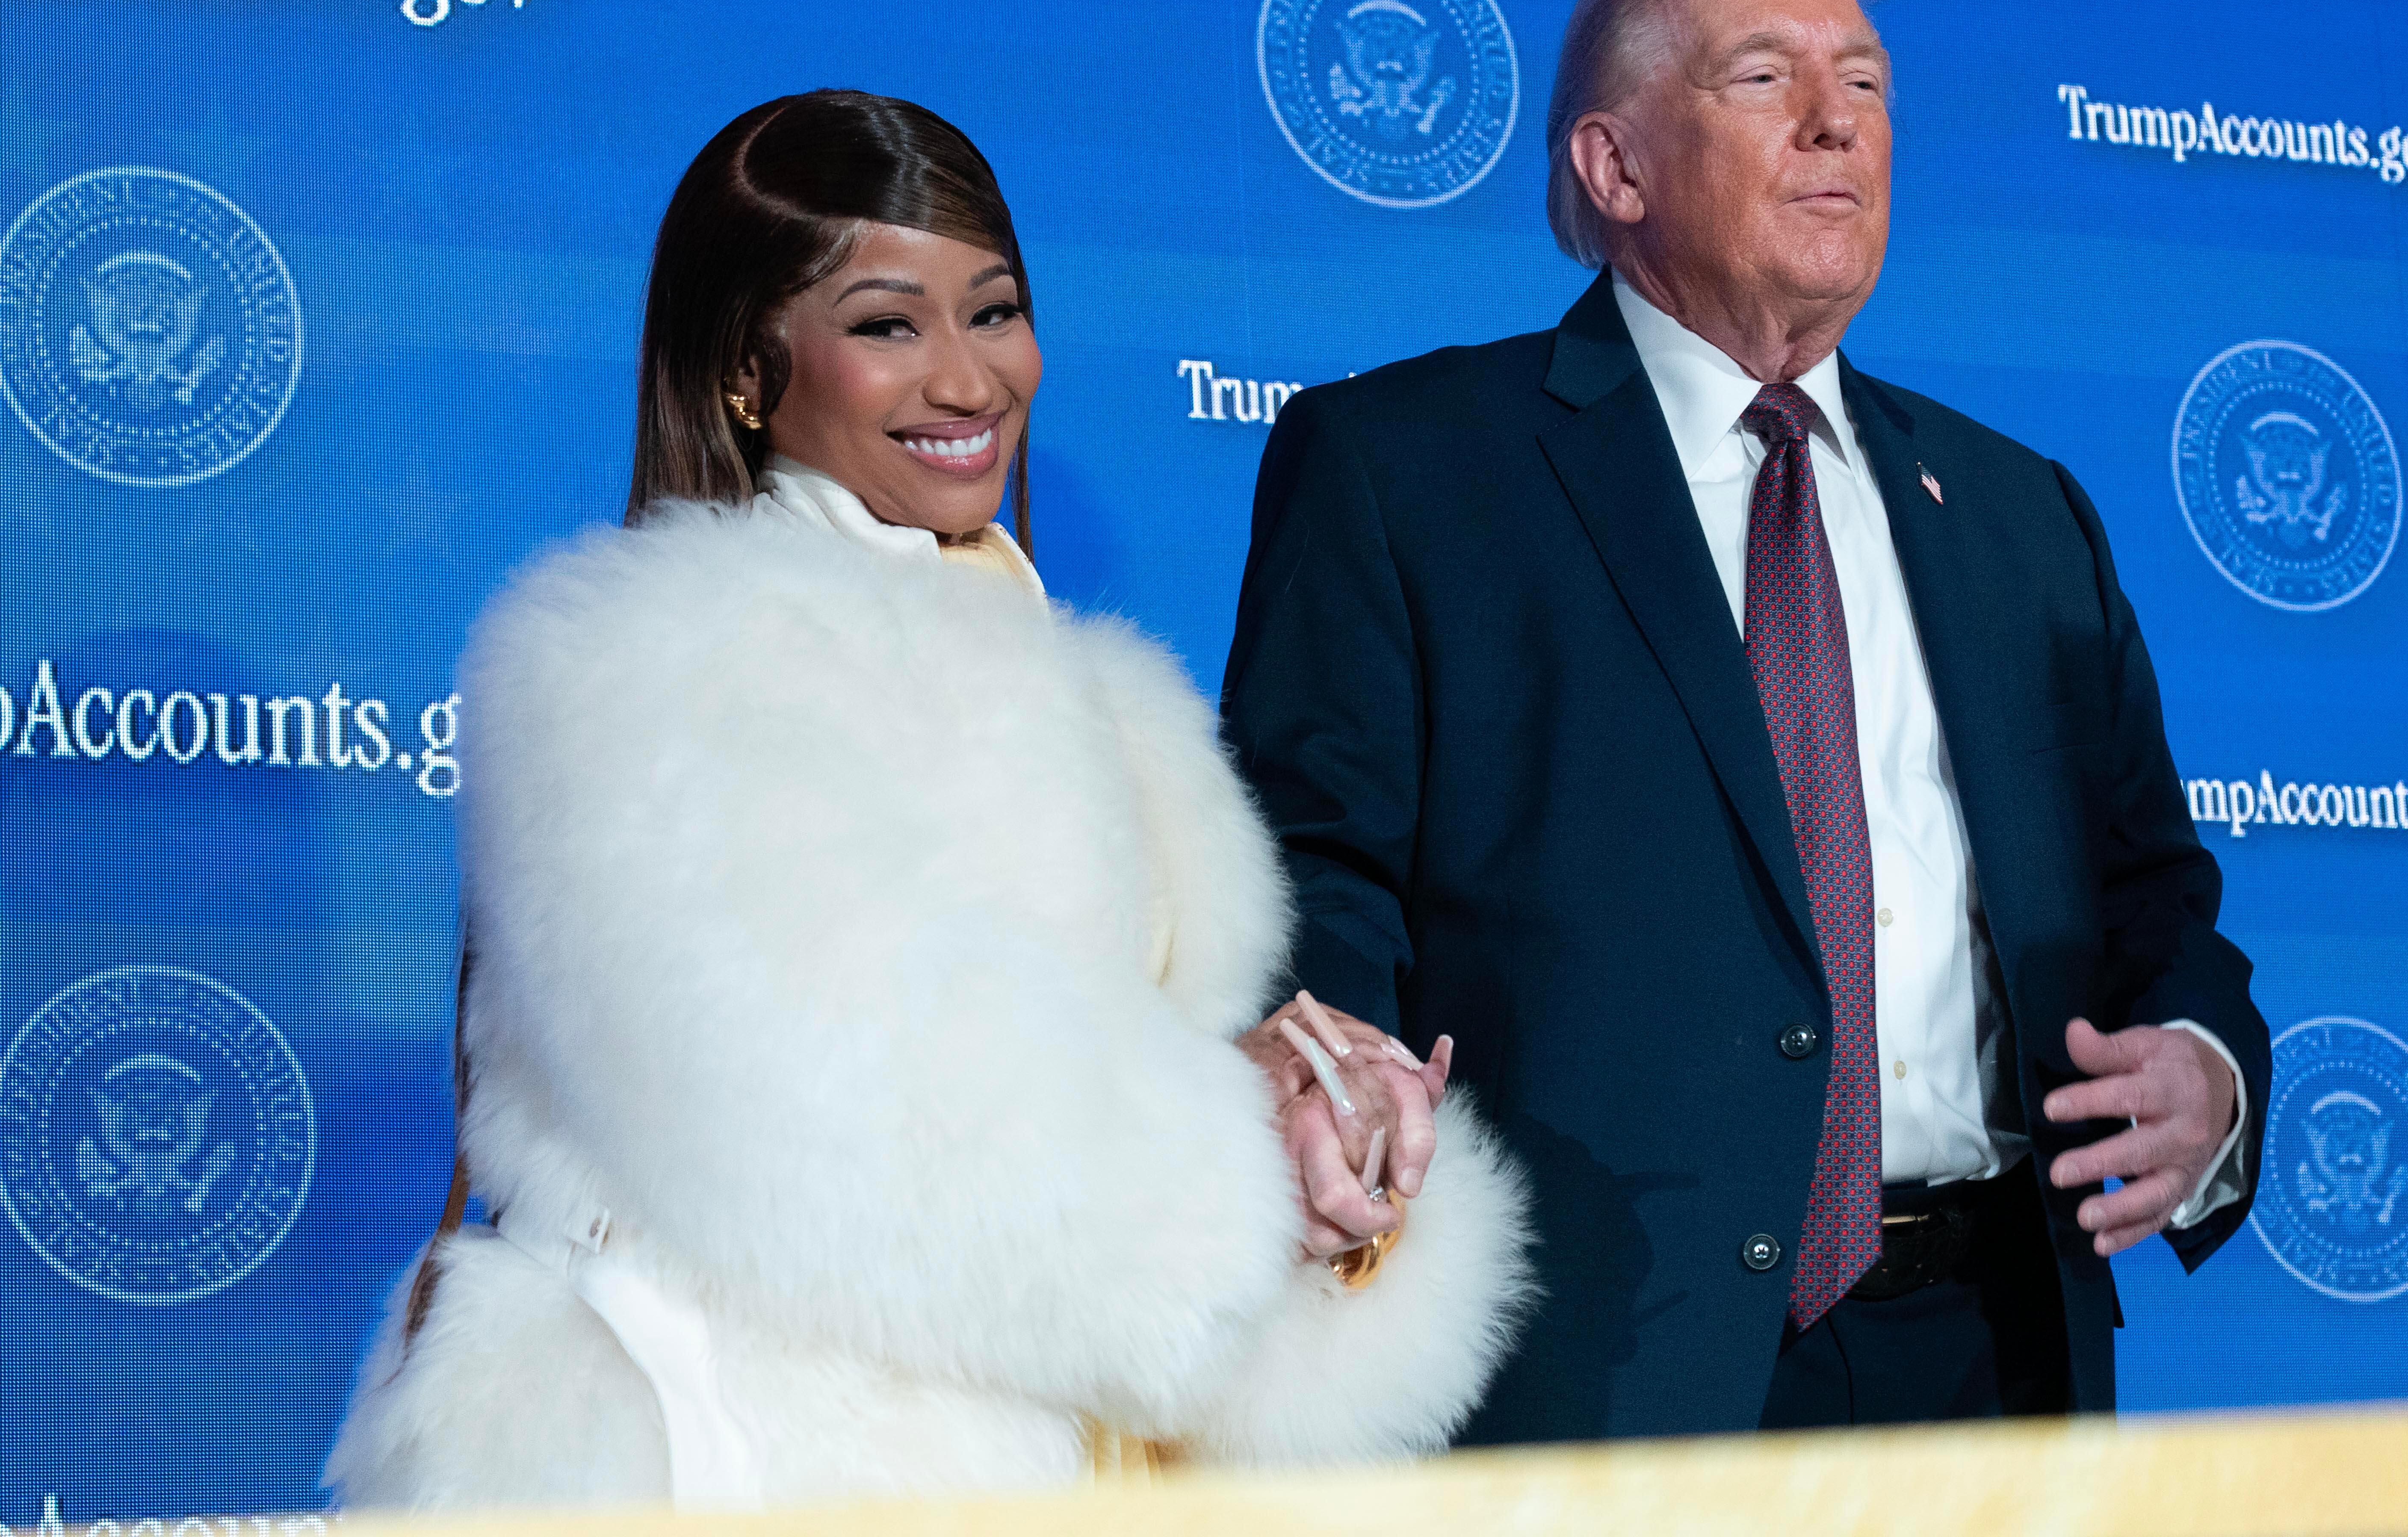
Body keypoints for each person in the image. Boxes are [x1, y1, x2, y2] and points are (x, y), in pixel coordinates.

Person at [327, 90, 1530, 1509]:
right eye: (889, 324)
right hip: (763, 1464)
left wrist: (1336, 1159)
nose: (969, 380)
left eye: (996, 311)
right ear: (746, 367)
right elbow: (870, 1134)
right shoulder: (644, 672)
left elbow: (1145, 1242)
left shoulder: (1102, 705)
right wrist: (1243, 1122)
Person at [1222, 0, 2269, 1437]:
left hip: (2001, 1362)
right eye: (1764, 76)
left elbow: (2156, 902)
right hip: (1597, 1371)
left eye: (1865, 79)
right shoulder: (1406, 471)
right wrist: (1334, 1099)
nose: (1838, 118)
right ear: (1615, 168)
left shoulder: (2017, 512)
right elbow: (1312, 877)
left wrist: (2205, 1072)